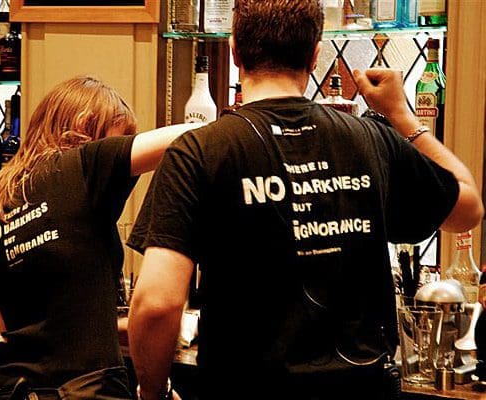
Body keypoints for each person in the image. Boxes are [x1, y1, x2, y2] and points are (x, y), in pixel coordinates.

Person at [126, 1, 485, 399]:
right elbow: (468, 209)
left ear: (234, 50)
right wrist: (402, 116)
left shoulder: (198, 151)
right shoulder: (372, 141)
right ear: (315, 55)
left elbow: (157, 303)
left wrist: (153, 392)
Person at [0, 76, 203, 400]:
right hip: (86, 390)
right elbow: (191, 138)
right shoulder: (81, 165)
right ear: (83, 126)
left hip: (17, 389)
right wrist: (242, 123)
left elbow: (12, 329)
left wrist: (124, 328)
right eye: (120, 139)